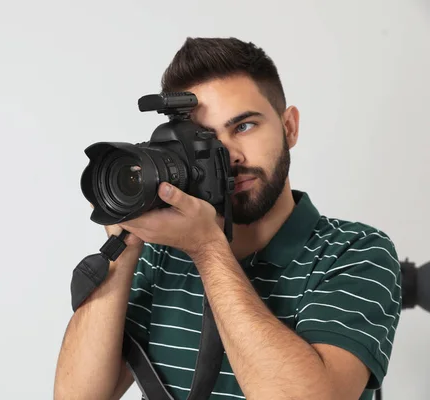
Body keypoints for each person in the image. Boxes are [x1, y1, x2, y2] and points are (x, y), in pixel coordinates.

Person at [53, 37, 402, 400]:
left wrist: (207, 249)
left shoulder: (356, 253)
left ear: (290, 127)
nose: (228, 156)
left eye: (244, 127)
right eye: (203, 141)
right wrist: (125, 248)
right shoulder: (162, 253)